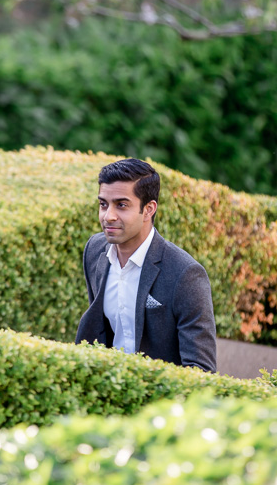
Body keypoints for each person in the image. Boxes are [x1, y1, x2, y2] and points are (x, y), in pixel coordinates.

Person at [74, 158, 217, 372]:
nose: (108, 216)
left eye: (121, 205)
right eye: (103, 204)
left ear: (149, 209)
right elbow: (99, 330)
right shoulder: (94, 251)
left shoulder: (185, 274)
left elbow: (201, 369)